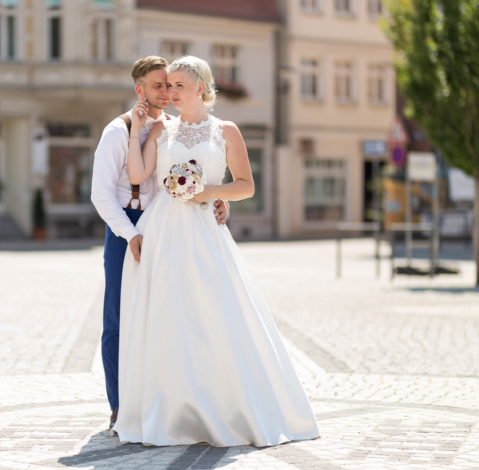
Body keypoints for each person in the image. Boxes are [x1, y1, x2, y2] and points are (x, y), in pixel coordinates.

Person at [113, 56, 321, 447]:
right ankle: (171, 409)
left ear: (201, 89)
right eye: (168, 86)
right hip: (162, 231)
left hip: (205, 231)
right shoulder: (160, 129)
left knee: (212, 313)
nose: (170, 93)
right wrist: (136, 130)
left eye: (178, 86)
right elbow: (139, 176)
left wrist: (208, 193)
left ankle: (223, 407)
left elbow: (245, 185)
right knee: (166, 316)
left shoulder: (225, 131)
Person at [91, 56, 229, 433]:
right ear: (140, 91)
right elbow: (101, 196)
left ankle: (161, 398)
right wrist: (130, 234)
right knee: (119, 317)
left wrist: (218, 197)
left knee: (162, 316)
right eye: (157, 86)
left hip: (168, 227)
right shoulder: (116, 132)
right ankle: (121, 405)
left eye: (169, 85)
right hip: (128, 226)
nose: (166, 92)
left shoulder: (173, 127)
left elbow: (196, 167)